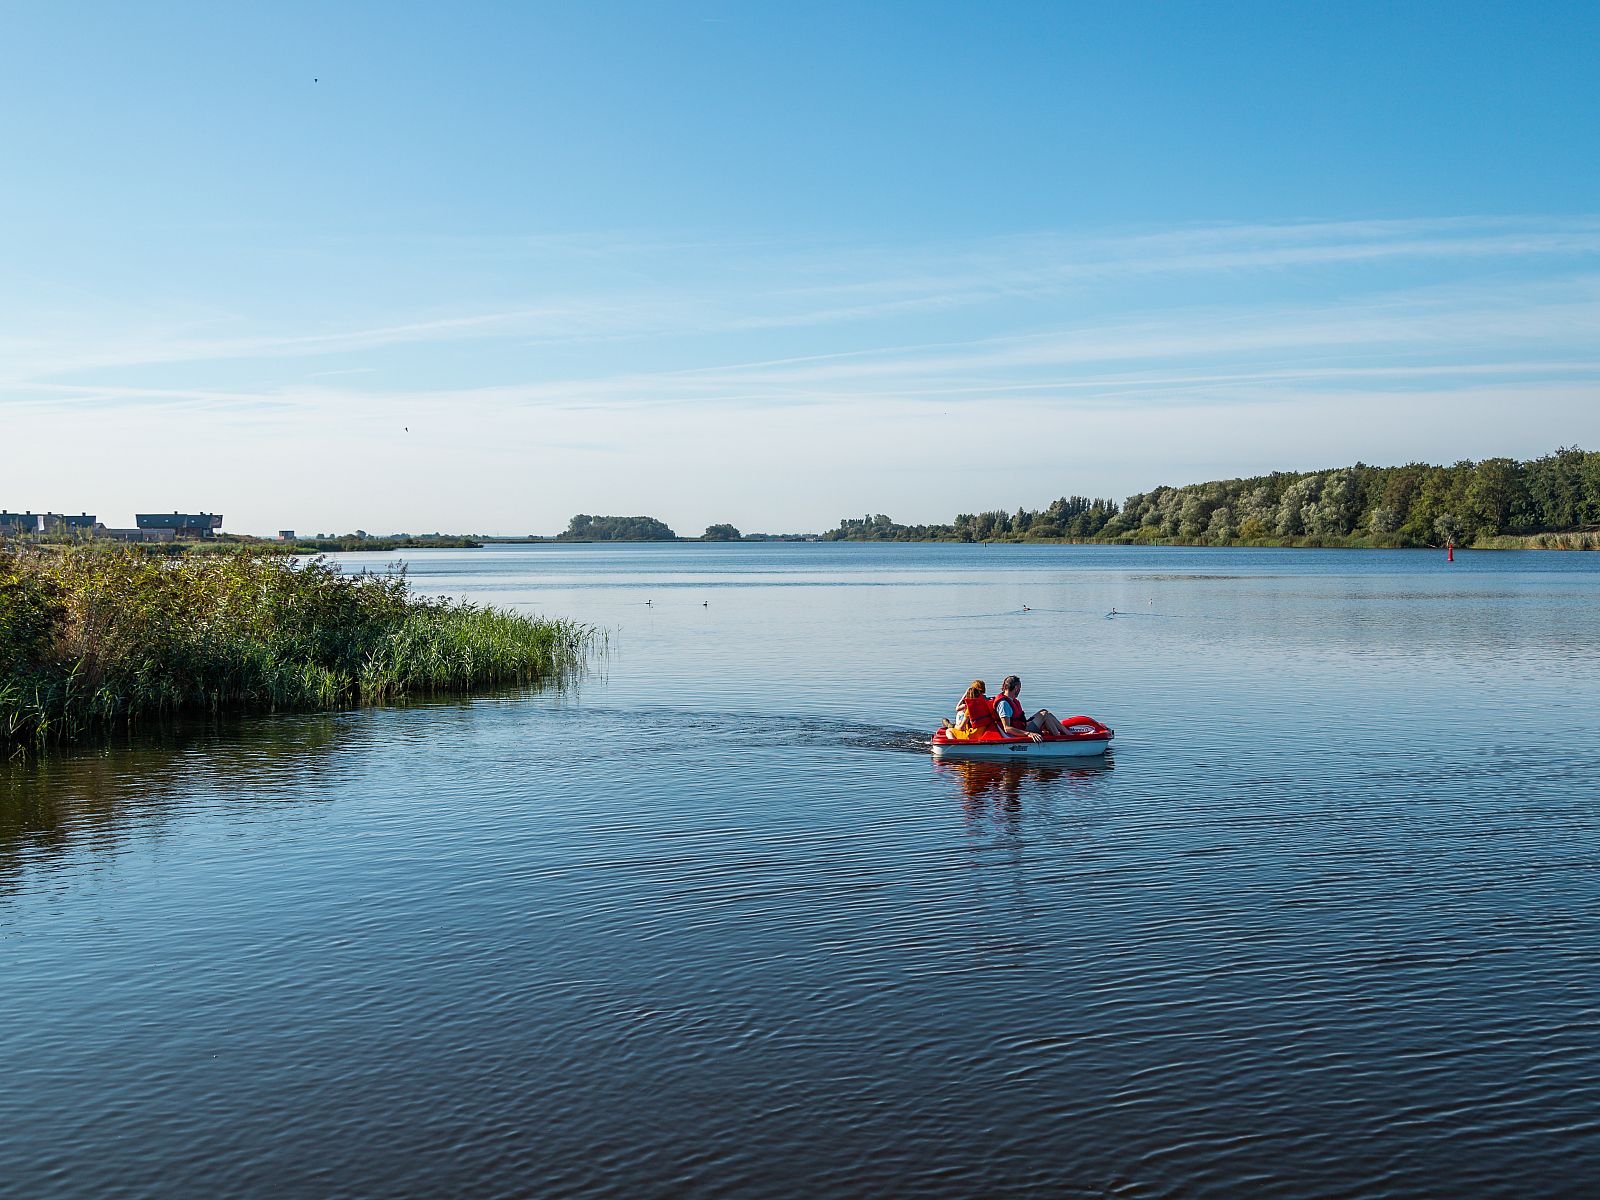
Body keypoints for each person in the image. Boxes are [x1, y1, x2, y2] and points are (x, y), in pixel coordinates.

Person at [993, 675, 1069, 741]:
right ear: (1016, 688)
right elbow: (1007, 728)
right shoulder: (1004, 704)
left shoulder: (1011, 700)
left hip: (1023, 726)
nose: (1019, 691)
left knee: (1045, 712)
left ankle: (1062, 736)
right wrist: (1029, 734)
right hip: (1020, 732)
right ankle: (1063, 738)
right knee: (1045, 714)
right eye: (1020, 688)